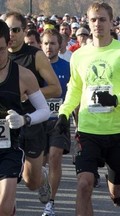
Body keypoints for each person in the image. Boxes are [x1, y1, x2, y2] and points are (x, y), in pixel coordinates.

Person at [54, 2, 120, 215]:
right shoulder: (78, 55)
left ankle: (117, 190)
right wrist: (64, 113)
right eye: (93, 20)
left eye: (102, 19)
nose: (97, 24)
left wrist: (116, 99)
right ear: (88, 22)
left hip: (119, 131)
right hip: (88, 130)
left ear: (111, 22)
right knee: (84, 184)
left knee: (116, 192)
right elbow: (75, 88)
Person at [4, 11, 62, 204]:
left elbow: (56, 88)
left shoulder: (34, 56)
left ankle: (43, 177)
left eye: (15, 30)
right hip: (5, 127)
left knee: (31, 182)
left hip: (31, 122)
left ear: (23, 31)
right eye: (7, 29)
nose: (11, 34)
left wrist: (29, 92)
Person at [0, 20, 50, 216]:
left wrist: (24, 120)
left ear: (8, 44)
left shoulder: (23, 75)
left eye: (1, 49)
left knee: (3, 207)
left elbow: (44, 110)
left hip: (10, 148)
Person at [40, 28, 71, 216]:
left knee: (55, 157)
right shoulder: (33, 68)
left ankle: (50, 202)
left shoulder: (67, 67)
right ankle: (43, 181)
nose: (49, 47)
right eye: (45, 43)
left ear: (59, 46)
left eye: (52, 43)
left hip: (59, 121)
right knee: (39, 165)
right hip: (38, 122)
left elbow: (74, 97)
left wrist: (79, 126)